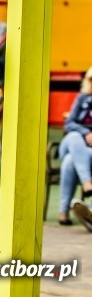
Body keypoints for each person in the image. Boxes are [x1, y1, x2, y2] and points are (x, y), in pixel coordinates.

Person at [57, 66, 92, 226]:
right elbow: (69, 123)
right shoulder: (82, 98)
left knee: (70, 162)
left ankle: (63, 212)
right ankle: (87, 182)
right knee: (74, 136)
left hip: (88, 152)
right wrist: (86, 133)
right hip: (73, 143)